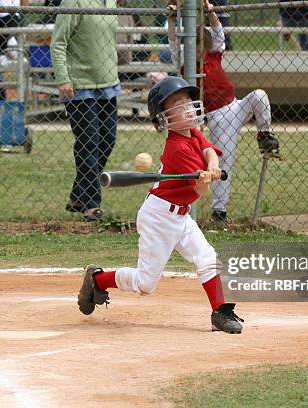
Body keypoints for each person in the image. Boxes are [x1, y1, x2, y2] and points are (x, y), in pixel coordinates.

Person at [76, 76, 244, 334]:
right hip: (159, 217)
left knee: (208, 259)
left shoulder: (193, 134)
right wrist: (204, 180)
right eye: (178, 104)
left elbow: (209, 150)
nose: (187, 108)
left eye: (188, 102)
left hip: (180, 215)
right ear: (164, 118)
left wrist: (211, 167)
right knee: (145, 284)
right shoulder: (177, 149)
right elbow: (201, 191)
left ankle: (221, 312)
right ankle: (97, 280)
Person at [168, 0, 279, 225]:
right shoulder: (184, 62)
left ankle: (264, 135)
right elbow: (172, 41)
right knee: (222, 160)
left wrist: (210, 12)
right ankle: (220, 211)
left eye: (200, 42)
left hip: (234, 105)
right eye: (194, 43)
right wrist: (171, 19)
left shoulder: (213, 55)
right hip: (219, 117)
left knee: (258, 95)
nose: (198, 47)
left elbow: (218, 33)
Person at [51, 0, 120, 222]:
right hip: (79, 86)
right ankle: (92, 204)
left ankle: (77, 195)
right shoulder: (74, 1)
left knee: (107, 140)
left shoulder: (110, 1)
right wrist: (63, 79)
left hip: (108, 83)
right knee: (88, 143)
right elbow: (58, 43)